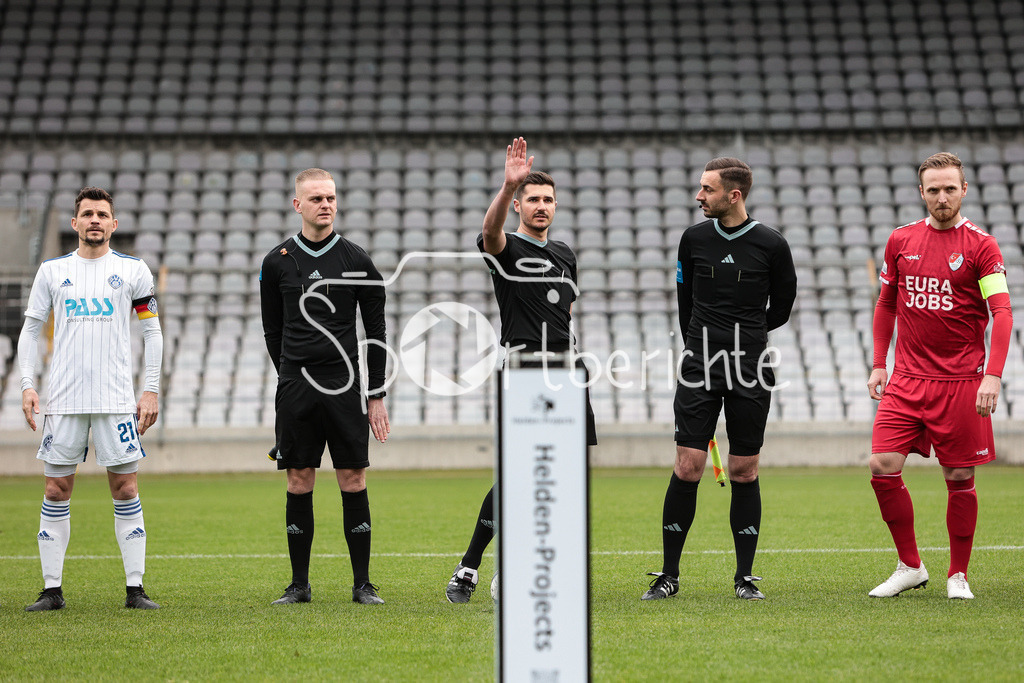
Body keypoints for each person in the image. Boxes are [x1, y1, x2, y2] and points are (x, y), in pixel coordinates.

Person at [445, 137, 598, 603]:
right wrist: (507, 185)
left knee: (562, 477)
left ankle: (521, 566)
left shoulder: (566, 254)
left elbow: (565, 315)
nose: (541, 206)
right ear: (518, 206)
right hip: (525, 369)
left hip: (566, 371)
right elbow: (488, 232)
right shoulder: (506, 247)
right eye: (532, 199)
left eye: (548, 200)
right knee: (516, 473)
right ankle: (469, 567)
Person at [643, 158, 797, 602]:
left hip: (751, 366)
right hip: (700, 365)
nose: (699, 196)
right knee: (688, 464)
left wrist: (745, 335)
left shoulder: (772, 244)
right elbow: (684, 301)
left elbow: (782, 307)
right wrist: (702, 344)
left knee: (743, 469)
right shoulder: (693, 239)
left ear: (734, 195)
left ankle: (744, 577)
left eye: (707, 189)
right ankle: (669, 575)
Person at [866, 152, 1012, 600]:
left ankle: (957, 575)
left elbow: (1002, 312)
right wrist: (879, 362)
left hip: (961, 381)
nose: (942, 197)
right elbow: (886, 303)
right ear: (922, 192)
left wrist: (993, 375)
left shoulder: (982, 246)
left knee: (959, 476)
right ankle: (910, 566)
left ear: (964, 190)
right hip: (908, 378)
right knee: (881, 465)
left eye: (950, 188)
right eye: (934, 190)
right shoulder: (900, 240)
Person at [18, 187, 163, 611]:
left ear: (113, 224)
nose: (95, 220)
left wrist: (150, 389)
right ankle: (51, 590)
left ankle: (135, 589)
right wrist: (27, 384)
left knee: (125, 487)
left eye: (102, 214)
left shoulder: (133, 270)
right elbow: (31, 330)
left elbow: (152, 331)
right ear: (75, 223)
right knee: (56, 489)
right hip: (64, 399)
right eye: (87, 214)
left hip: (116, 399)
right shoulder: (51, 271)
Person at [260, 168, 390, 606]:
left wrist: (376, 394)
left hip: (343, 385)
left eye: (331, 198)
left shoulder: (357, 260)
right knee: (299, 479)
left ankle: (362, 584)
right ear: (298, 204)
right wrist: (288, 377)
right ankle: (299, 585)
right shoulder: (276, 261)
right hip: (296, 385)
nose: (326, 205)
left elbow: (376, 332)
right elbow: (272, 330)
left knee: (352, 477)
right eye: (316, 199)